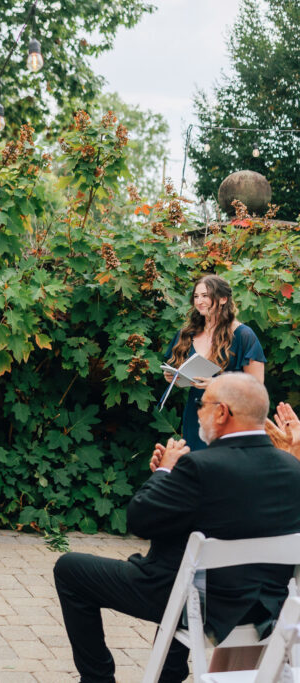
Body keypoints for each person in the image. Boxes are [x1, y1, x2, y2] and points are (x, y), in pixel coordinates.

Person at [54, 372, 300, 682]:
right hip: (266, 608)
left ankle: (98, 679)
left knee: (70, 569)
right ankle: (167, 673)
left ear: (222, 413)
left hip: (200, 605)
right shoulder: (293, 467)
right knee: (186, 569)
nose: (199, 412)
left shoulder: (199, 468)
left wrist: (164, 474)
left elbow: (139, 520)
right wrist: (168, 485)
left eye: (203, 404)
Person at [164, 274, 265, 452]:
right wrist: (174, 377)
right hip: (196, 415)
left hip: (231, 416)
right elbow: (180, 375)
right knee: (198, 470)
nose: (199, 301)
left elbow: (257, 388)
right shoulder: (187, 333)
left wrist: (218, 383)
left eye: (205, 295)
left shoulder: (243, 335)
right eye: (196, 296)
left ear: (223, 299)